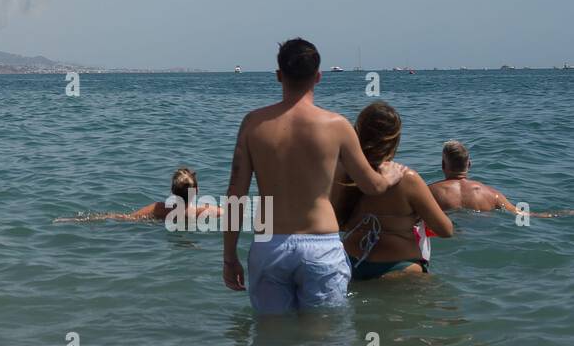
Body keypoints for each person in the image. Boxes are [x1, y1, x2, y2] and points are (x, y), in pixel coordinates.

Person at [222, 38, 406, 314]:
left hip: (269, 244)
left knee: (272, 338)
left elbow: (236, 194)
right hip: (321, 246)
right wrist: (390, 175)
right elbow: (370, 185)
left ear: (278, 75)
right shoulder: (337, 126)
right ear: (318, 77)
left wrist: (229, 257)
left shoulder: (253, 124)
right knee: (326, 342)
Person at [332, 102, 453, 279]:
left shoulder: (343, 172)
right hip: (400, 268)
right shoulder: (407, 178)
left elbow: (336, 221)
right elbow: (446, 230)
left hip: (350, 265)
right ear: (395, 139)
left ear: (358, 134)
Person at [53, 167, 222, 224]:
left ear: (172, 191)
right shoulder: (205, 211)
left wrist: (79, 220)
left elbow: (124, 218)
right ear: (197, 191)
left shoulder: (159, 208)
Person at [428, 140, 520, 213]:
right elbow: (520, 214)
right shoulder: (492, 195)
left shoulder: (429, 193)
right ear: (469, 165)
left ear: (443, 165)